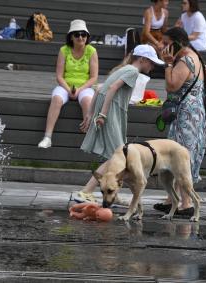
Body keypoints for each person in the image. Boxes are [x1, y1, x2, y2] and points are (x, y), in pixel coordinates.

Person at [75, 44, 164, 203]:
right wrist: (102, 113)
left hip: (107, 109)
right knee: (118, 154)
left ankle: (111, 192)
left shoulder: (123, 69)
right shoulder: (132, 71)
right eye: (151, 62)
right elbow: (112, 89)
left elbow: (99, 88)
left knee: (117, 155)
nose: (153, 66)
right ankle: (86, 191)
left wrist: (90, 112)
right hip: (110, 111)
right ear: (142, 59)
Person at [153, 27, 206, 216]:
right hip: (196, 111)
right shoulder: (195, 56)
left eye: (166, 42)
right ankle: (171, 200)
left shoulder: (185, 59)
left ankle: (186, 203)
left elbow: (172, 86)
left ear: (177, 42)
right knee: (181, 152)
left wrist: (168, 64)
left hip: (186, 114)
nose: (162, 46)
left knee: (180, 155)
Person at [38, 19, 98, 149]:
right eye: (77, 34)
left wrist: (79, 90)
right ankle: (47, 137)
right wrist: (69, 90)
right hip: (65, 85)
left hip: (85, 86)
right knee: (56, 99)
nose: (80, 37)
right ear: (71, 36)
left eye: (83, 34)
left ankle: (90, 140)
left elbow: (93, 77)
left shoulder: (92, 51)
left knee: (88, 101)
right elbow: (59, 76)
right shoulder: (63, 50)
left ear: (87, 36)